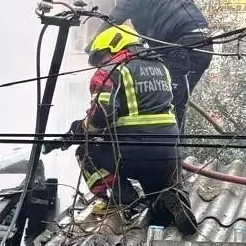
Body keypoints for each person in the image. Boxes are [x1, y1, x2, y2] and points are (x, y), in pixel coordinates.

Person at [48, 23, 197, 235]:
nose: (101, 63)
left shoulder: (112, 71)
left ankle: (122, 199)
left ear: (115, 47)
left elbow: (100, 118)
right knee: (157, 207)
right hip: (168, 152)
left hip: (134, 150)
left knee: (86, 151)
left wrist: (79, 129)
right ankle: (169, 200)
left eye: (101, 57)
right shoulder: (160, 67)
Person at [106, 0, 213, 131]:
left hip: (183, 47)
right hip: (204, 46)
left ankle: (166, 146)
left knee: (168, 102)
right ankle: (176, 145)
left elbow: (115, 17)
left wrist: (94, 47)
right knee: (178, 101)